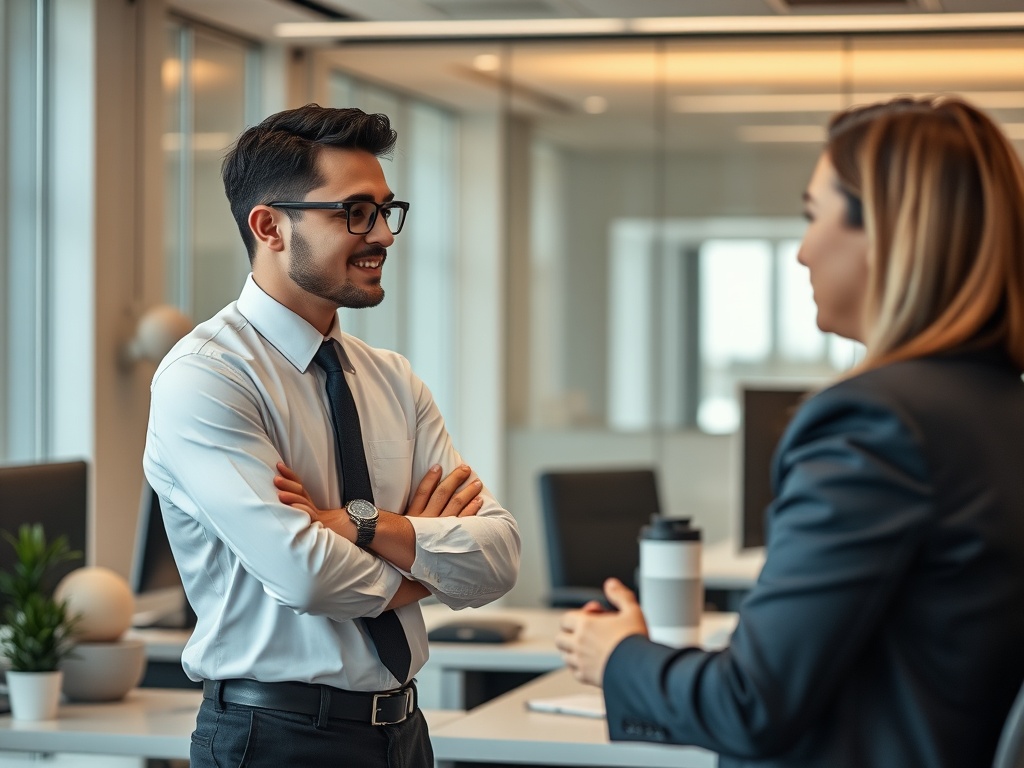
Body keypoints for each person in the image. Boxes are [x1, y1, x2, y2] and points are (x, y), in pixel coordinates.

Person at [555, 95, 1024, 768]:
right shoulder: (1000, 410)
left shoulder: (874, 422)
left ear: (888, 234)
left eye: (813, 216)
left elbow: (750, 705)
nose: (802, 252)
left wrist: (619, 656)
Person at [143, 104, 520, 768]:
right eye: (353, 212)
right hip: (274, 738)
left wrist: (358, 524)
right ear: (270, 227)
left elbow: (500, 556)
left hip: (404, 733)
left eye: (385, 209)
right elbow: (307, 576)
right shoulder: (206, 378)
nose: (382, 234)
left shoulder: (393, 380)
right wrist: (427, 564)